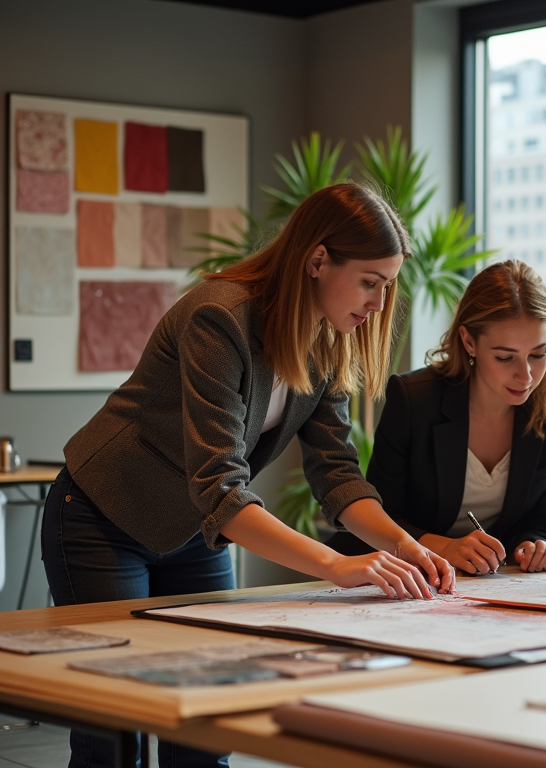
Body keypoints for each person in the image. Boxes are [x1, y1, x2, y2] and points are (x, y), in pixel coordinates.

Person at [42, 184, 454, 768]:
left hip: (193, 533)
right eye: (370, 281)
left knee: (206, 730)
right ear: (317, 260)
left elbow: (336, 474)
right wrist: (336, 564)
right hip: (103, 517)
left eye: (388, 285)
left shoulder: (329, 340)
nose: (381, 303)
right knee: (115, 735)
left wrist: (405, 547)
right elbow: (219, 485)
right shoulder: (220, 317)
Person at [328, 260, 546, 574]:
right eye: (505, 357)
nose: (526, 376)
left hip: (494, 583)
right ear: (468, 341)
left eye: (538, 354)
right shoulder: (415, 399)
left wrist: (536, 545)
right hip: (404, 574)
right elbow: (379, 517)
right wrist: (446, 548)